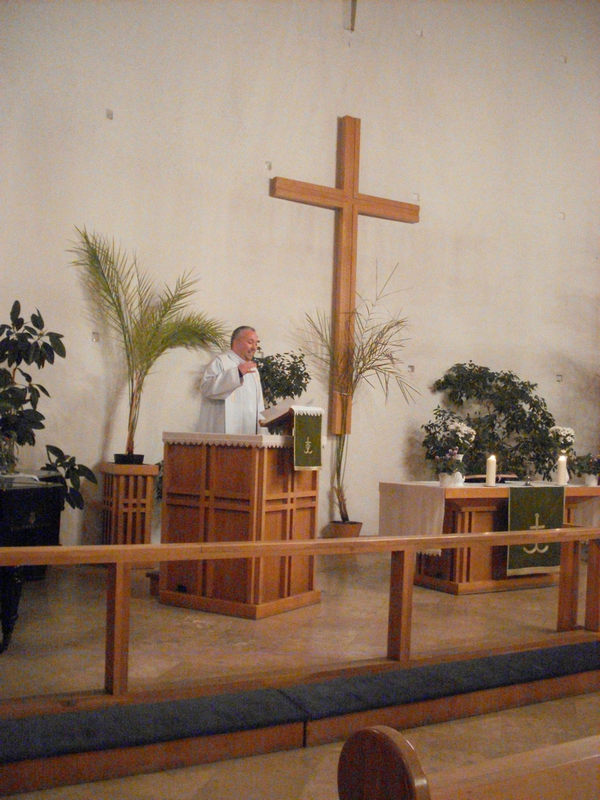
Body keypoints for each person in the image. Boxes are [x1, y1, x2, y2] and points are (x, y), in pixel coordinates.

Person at [198, 325, 265, 434]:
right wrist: (237, 373)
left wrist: (262, 432)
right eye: (250, 342)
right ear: (236, 342)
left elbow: (259, 405)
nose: (254, 348)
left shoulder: (253, 370)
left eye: (256, 343)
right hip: (222, 434)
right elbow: (206, 388)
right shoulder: (220, 362)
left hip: (250, 436)